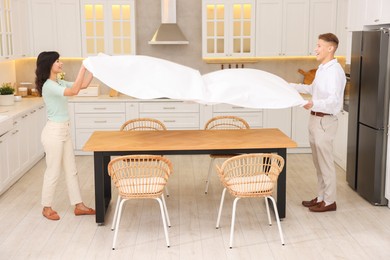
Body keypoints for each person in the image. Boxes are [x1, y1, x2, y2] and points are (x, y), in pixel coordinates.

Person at [35, 51, 96, 220]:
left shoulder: (59, 81)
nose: (60, 64)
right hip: (53, 133)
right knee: (53, 171)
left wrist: (93, 69)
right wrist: (83, 67)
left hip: (64, 131)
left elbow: (82, 85)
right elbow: (74, 90)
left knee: (71, 170)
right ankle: (46, 207)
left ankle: (79, 205)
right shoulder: (49, 85)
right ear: (49, 65)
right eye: (57, 61)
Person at [290, 33, 346, 212]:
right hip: (315, 119)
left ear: (330, 48)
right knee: (318, 163)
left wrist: (313, 103)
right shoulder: (322, 69)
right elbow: (311, 89)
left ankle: (330, 202)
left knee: (326, 163)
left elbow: (333, 100)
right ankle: (321, 197)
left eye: (319, 45)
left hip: (325, 121)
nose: (316, 48)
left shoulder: (335, 71)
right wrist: (289, 85)